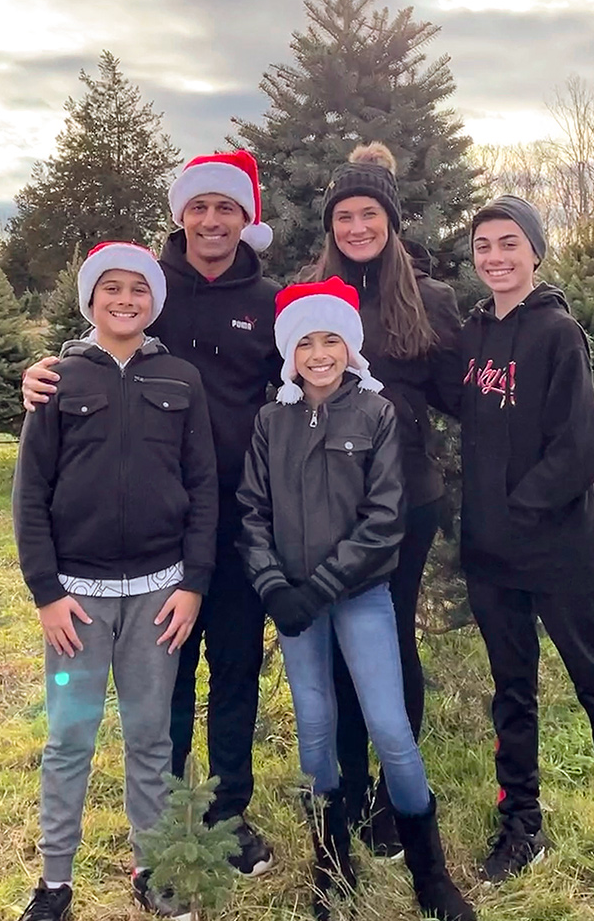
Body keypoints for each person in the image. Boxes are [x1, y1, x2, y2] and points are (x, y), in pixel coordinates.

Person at [22, 150, 283, 877]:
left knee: (234, 670)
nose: (210, 219)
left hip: (239, 521)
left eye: (225, 207)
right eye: (198, 206)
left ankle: (228, 814)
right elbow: (102, 344)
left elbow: (309, 373)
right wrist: (41, 375)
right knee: (163, 683)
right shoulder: (151, 283)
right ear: (180, 215)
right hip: (154, 541)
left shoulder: (268, 300)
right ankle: (168, 821)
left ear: (244, 219)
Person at [236, 276, 474, 921]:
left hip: (358, 595)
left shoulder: (375, 413)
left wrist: (324, 584)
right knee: (315, 728)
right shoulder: (270, 420)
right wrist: (273, 585)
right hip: (292, 604)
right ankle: (331, 860)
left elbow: (384, 516)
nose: (319, 354)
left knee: (390, 727)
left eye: (331, 340)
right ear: (289, 352)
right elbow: (252, 511)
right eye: (305, 342)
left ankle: (431, 872)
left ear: (350, 347)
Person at [459, 196, 594, 907]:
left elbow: (582, 448)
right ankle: (521, 824)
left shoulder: (558, 333)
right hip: (491, 556)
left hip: (557, 553)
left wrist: (520, 509)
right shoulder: (475, 335)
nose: (496, 257)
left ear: (534, 251)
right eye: (484, 245)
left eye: (509, 243)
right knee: (512, 691)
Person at [12, 241, 219, 921]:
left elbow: (203, 488)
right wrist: (47, 593)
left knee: (150, 736)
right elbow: (30, 497)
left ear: (153, 302)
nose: (124, 299)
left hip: (160, 598)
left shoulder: (181, 381)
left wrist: (192, 584)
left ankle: (153, 868)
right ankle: (54, 883)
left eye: (137, 289)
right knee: (70, 735)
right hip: (77, 604)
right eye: (111, 289)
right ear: (91, 301)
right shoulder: (58, 382)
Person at [305, 142, 463, 856]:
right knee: (340, 649)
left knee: (392, 640)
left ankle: (398, 802)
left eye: (370, 213)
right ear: (332, 225)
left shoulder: (429, 300)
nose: (357, 226)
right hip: (327, 503)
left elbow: (467, 396)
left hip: (406, 501)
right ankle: (352, 781)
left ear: (391, 222)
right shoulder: (311, 298)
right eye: (345, 215)